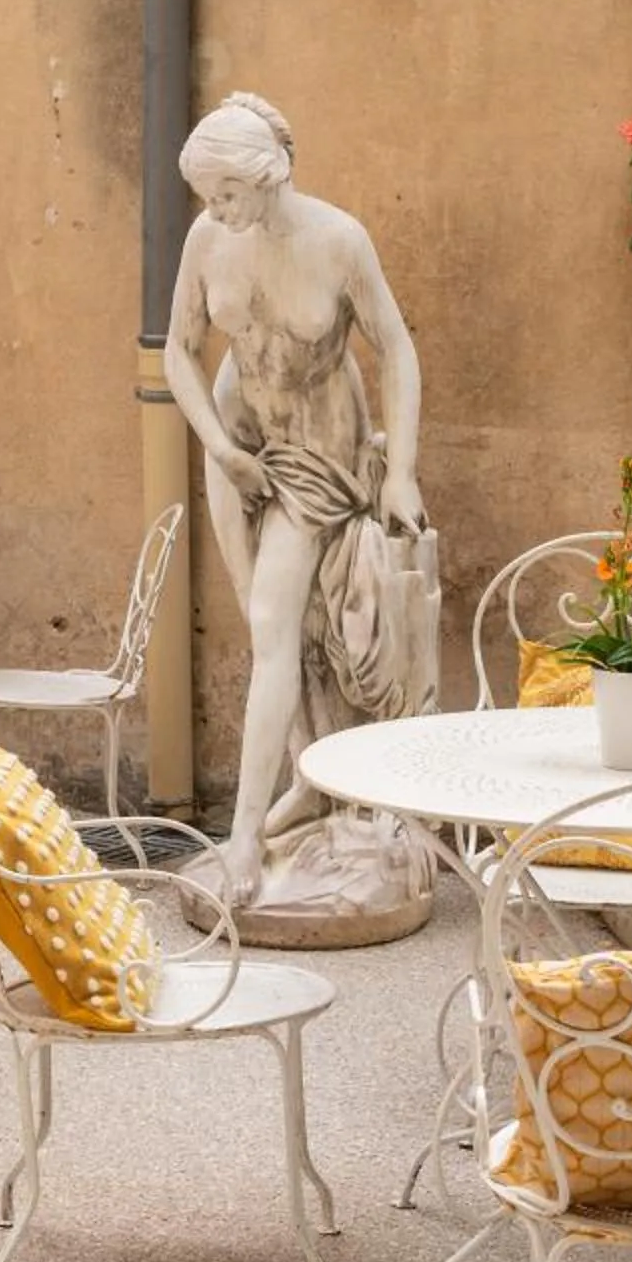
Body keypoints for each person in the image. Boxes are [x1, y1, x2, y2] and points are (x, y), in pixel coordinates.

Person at [164, 92, 433, 917]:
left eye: (227, 194)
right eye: (207, 197)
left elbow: (396, 349)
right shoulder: (210, 237)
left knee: (279, 630)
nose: (215, 211)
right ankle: (308, 784)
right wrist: (221, 448)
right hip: (241, 449)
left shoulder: (338, 240)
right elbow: (177, 349)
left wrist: (401, 472)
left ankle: (248, 834)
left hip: (322, 460)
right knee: (274, 629)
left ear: (267, 175)